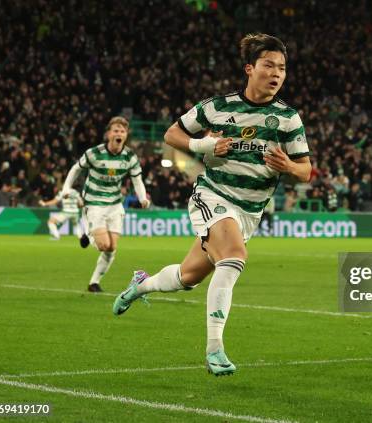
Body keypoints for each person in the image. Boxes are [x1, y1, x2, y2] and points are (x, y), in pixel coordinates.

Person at [112, 33, 312, 376]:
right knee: (234, 257)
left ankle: (140, 285)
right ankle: (214, 349)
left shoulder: (288, 119)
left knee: (186, 277)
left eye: (282, 67)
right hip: (214, 195)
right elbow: (172, 134)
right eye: (268, 65)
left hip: (250, 211)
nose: (276, 73)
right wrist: (205, 146)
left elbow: (305, 171)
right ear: (250, 69)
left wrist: (289, 167)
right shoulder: (217, 107)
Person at [61, 116, 150, 292]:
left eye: (122, 131)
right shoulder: (94, 153)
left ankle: (94, 282)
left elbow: (137, 179)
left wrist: (142, 198)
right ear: (108, 134)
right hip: (94, 203)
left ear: (126, 135)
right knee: (102, 244)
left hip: (115, 204)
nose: (119, 133)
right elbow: (76, 169)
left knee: (111, 247)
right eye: (116, 130)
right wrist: (66, 188)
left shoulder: (130, 157)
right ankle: (88, 233)